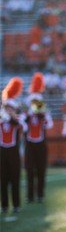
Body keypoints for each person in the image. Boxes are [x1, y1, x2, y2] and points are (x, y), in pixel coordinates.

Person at [23, 72, 53, 204]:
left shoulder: (44, 113)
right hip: (29, 144)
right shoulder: (26, 114)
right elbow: (22, 126)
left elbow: (49, 124)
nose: (35, 104)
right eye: (33, 102)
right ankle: (30, 195)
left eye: (37, 102)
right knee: (29, 170)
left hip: (41, 144)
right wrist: (29, 115)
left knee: (41, 169)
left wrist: (43, 115)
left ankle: (40, 194)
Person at [0, 77, 27, 213]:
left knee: (15, 178)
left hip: (14, 152)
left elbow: (23, 127)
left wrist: (11, 117)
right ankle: (4, 206)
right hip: (2, 153)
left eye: (10, 108)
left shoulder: (18, 119)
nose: (8, 110)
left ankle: (16, 204)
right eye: (6, 108)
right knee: (3, 180)